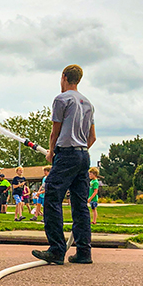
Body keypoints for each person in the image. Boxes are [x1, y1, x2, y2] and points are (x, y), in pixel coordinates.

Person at [32, 64, 96, 265]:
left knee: (51, 196)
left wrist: (52, 152)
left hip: (67, 153)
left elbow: (55, 131)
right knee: (80, 204)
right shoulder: (87, 103)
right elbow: (92, 137)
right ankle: (84, 252)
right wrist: (80, 151)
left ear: (64, 77)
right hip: (83, 154)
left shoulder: (62, 99)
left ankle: (56, 249)